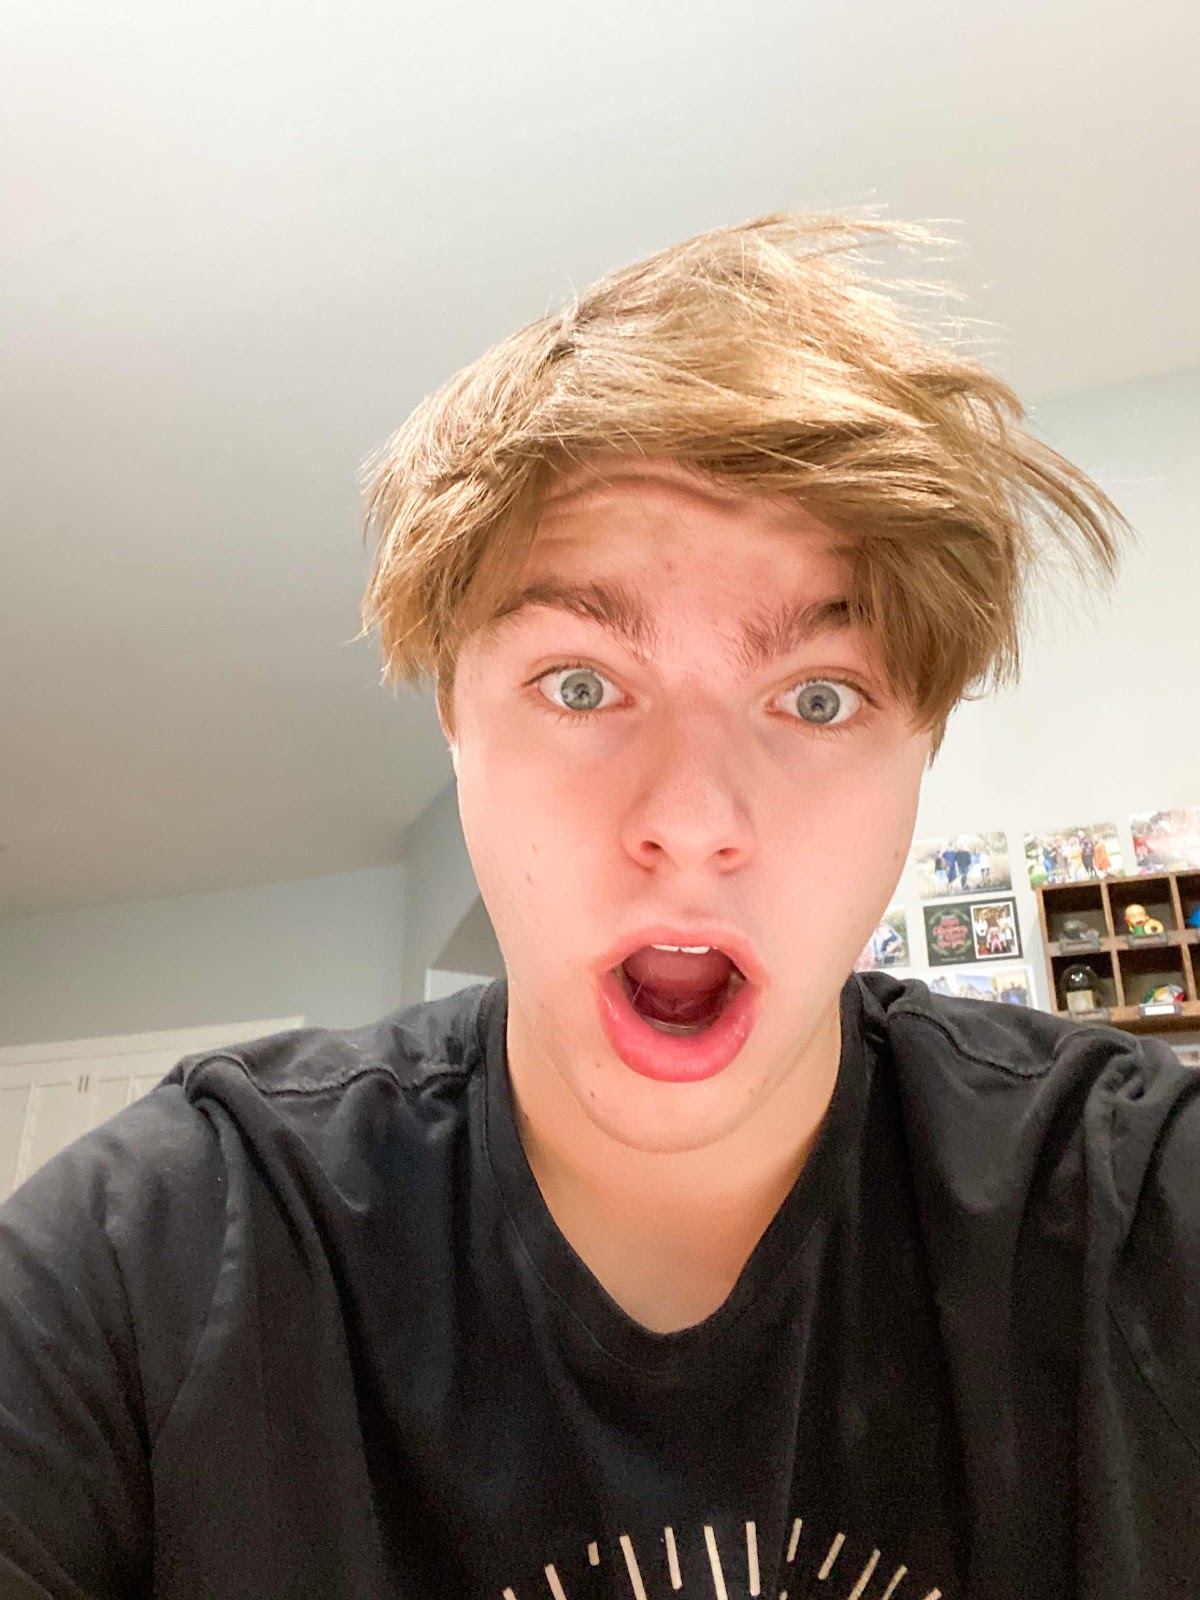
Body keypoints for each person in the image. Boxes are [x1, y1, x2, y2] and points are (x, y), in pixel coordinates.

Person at [2, 213, 1197, 1600]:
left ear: (921, 746)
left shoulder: (1138, 1212)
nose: (689, 818)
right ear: (454, 715)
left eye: (818, 698)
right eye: (581, 685)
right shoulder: (161, 1254)